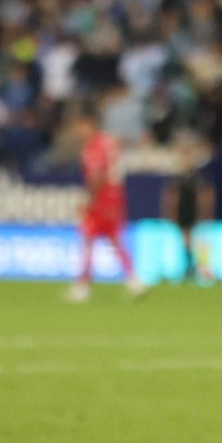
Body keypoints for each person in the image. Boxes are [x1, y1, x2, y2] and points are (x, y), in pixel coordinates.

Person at [68, 107, 145, 302]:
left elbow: (98, 176)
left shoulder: (93, 146)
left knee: (88, 239)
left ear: (89, 125)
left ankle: (83, 286)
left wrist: (89, 200)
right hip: (115, 197)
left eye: (79, 126)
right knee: (115, 240)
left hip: (101, 199)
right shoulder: (109, 142)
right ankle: (134, 280)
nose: (77, 131)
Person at [161, 140, 215, 284]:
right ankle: (190, 267)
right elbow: (171, 195)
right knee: (186, 240)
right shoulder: (179, 178)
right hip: (183, 211)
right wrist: (170, 212)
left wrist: (205, 212)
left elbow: (205, 194)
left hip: (194, 212)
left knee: (197, 241)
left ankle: (198, 267)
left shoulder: (197, 177)